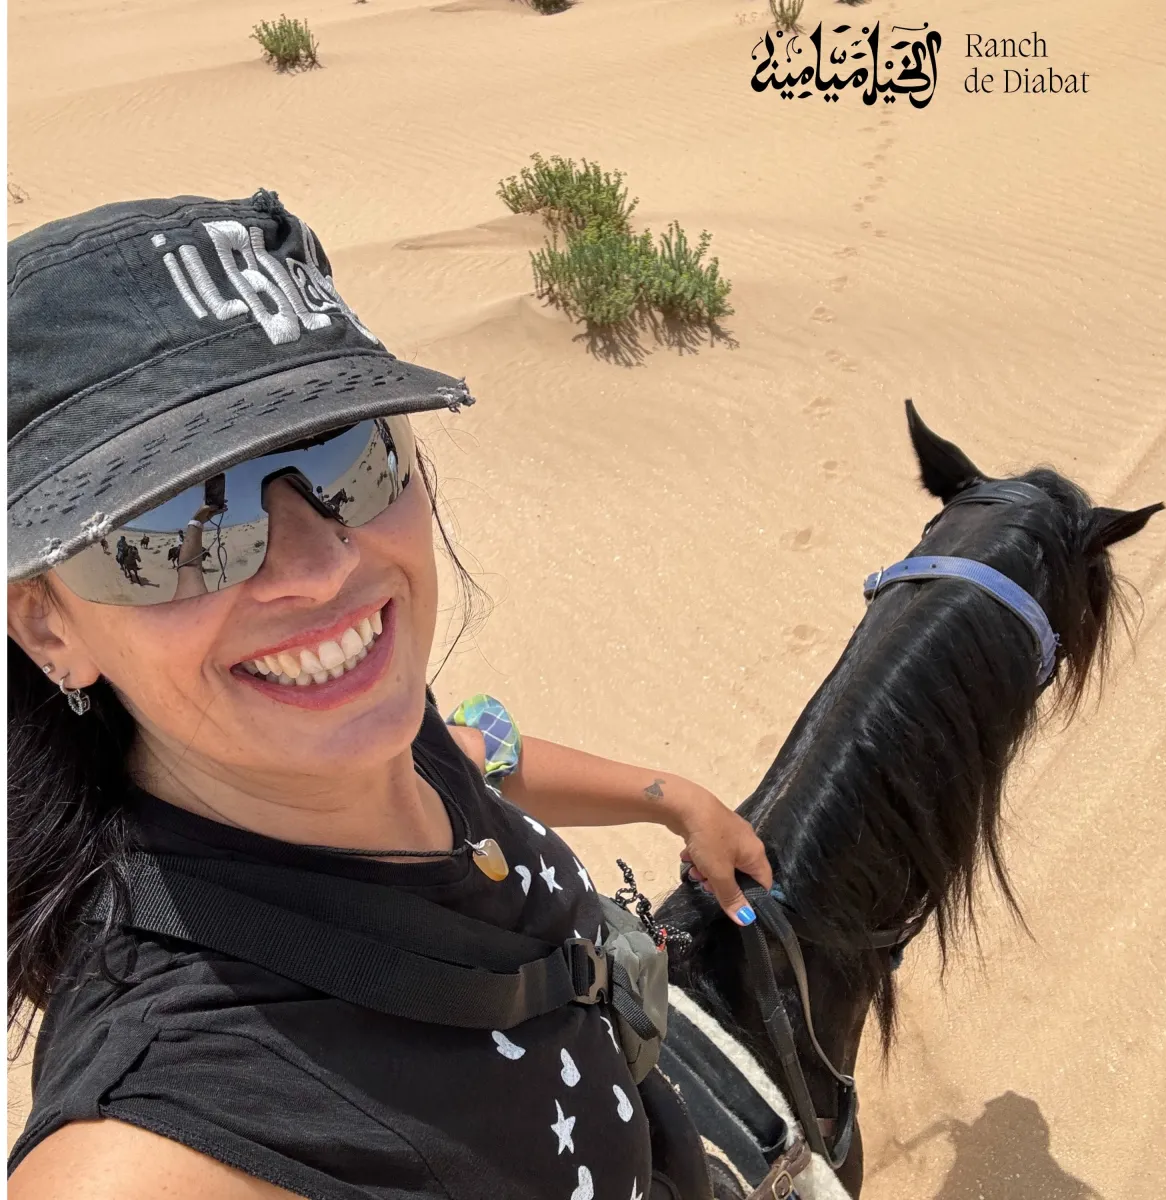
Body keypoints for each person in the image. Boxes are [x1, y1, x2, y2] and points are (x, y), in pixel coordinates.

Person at [7, 190, 773, 1200]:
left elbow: (473, 750)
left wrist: (669, 796)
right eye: (177, 530)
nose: (319, 566)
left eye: (346, 452)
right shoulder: (159, 1149)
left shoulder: (364, 731)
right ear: (49, 624)